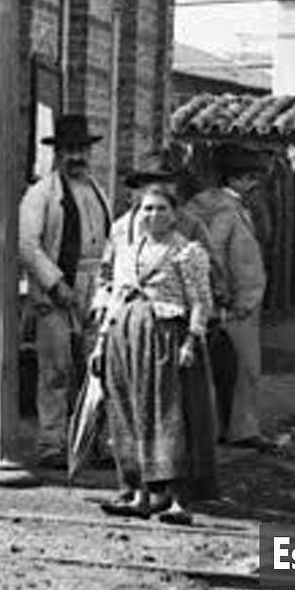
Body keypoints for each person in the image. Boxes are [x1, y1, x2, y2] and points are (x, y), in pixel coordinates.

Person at [92, 180, 215, 525]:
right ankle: (137, 492)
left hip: (164, 337)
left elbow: (201, 302)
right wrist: (102, 342)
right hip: (125, 335)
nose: (154, 214)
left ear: (174, 214)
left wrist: (191, 341)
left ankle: (176, 499)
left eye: (161, 208)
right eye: (147, 208)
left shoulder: (186, 252)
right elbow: (115, 295)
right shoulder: (128, 251)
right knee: (128, 410)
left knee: (166, 413)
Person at [19, 113, 111, 470]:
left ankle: (94, 440)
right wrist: (56, 284)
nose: (77, 157)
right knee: (55, 371)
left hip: (94, 286)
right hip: (56, 290)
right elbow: (26, 243)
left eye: (82, 150)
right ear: (58, 154)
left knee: (97, 368)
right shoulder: (42, 193)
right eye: (69, 151)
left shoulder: (96, 189)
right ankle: (52, 442)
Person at [183, 142, 268, 447]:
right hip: (234, 301)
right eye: (249, 178)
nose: (254, 183)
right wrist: (232, 296)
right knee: (243, 368)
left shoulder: (199, 205)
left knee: (212, 367)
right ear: (234, 180)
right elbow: (223, 253)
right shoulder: (229, 210)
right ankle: (241, 429)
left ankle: (215, 426)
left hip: (209, 297)